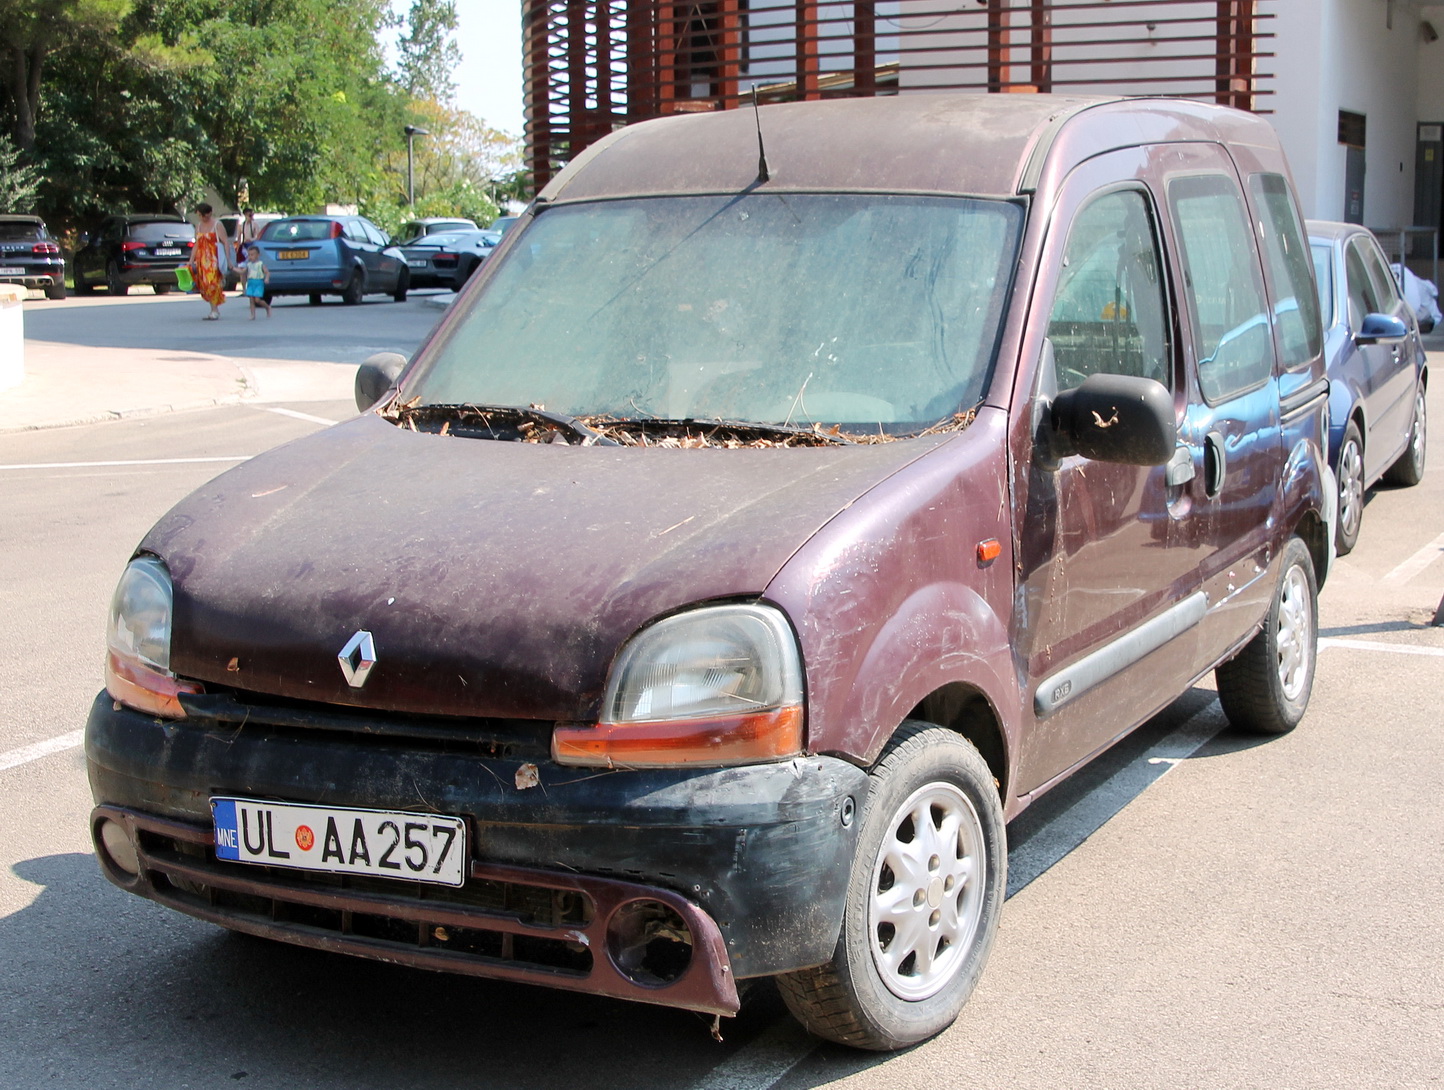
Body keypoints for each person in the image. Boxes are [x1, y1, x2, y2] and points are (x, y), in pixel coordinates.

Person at [189, 203, 230, 320]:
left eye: (203, 215)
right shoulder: (198, 226)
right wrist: (191, 260)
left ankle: (214, 310)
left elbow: (225, 242)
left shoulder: (217, 225)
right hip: (202, 259)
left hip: (214, 259)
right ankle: (213, 309)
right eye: (199, 215)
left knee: (212, 283)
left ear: (209, 213)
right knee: (204, 285)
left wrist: (227, 259)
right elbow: (197, 244)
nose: (201, 218)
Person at [240, 243, 272, 319]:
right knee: (251, 300)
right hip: (250, 282)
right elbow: (243, 272)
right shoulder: (248, 265)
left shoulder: (260, 264)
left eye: (252, 255)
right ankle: (252, 314)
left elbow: (267, 272)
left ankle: (267, 307)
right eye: (249, 255)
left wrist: (267, 278)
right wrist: (233, 268)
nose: (250, 257)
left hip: (258, 283)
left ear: (258, 255)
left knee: (257, 300)